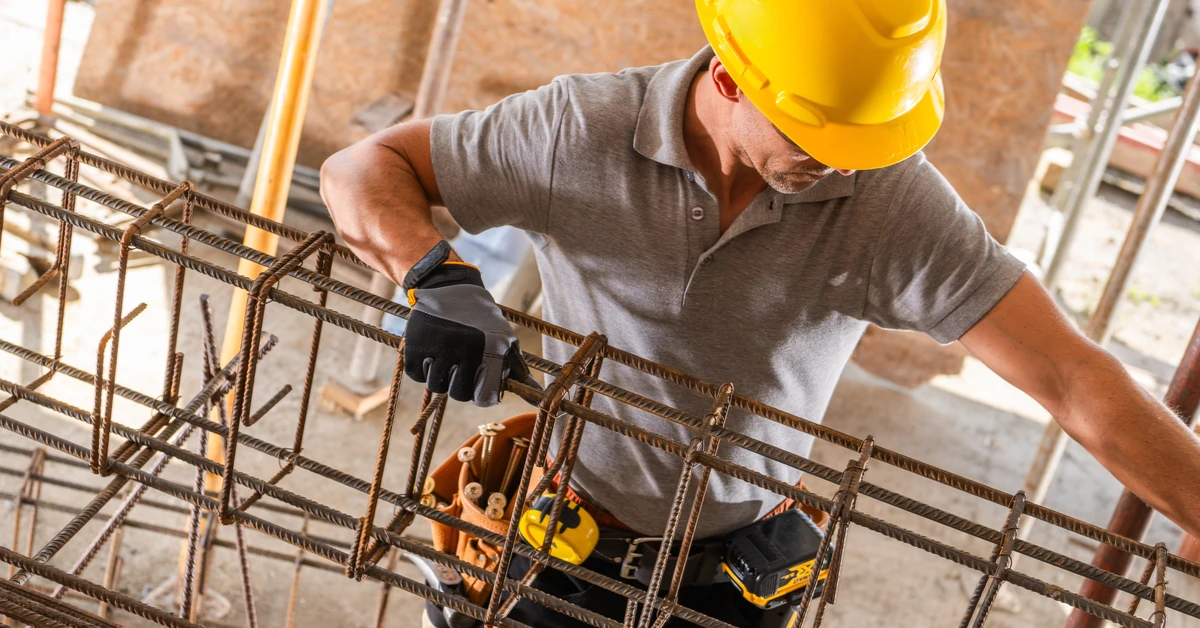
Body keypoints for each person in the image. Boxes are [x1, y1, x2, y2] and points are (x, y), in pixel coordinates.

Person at [321, 1, 1200, 625]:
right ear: (731, 77)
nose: (843, 165)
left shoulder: (887, 203)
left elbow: (1071, 374)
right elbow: (363, 168)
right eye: (819, 135)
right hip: (559, 538)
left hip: (736, 578)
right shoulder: (580, 132)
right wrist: (434, 273)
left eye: (865, 141)